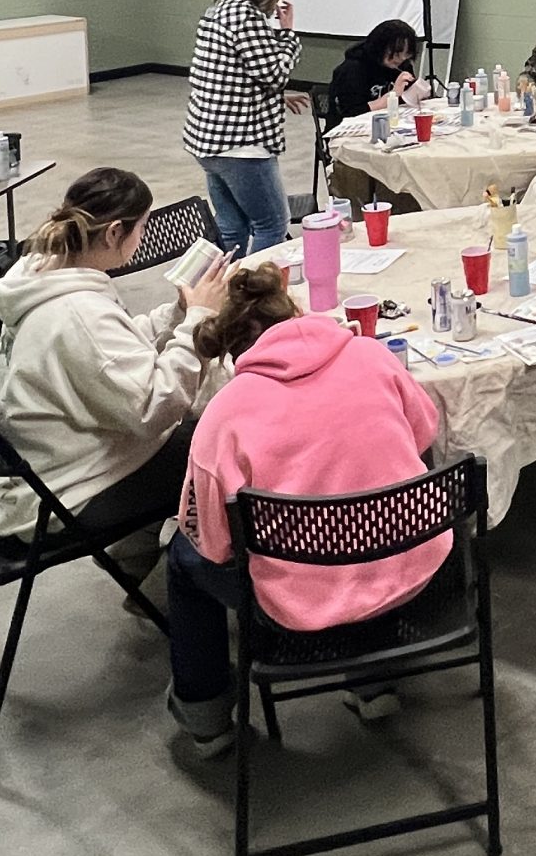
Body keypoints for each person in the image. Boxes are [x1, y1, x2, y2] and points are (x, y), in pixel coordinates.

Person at [165, 266, 448, 756]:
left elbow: (213, 541)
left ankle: (206, 717)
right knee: (363, 522)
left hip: (303, 599)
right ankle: (373, 682)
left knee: (182, 558)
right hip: (410, 566)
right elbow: (424, 433)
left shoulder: (225, 413)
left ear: (232, 347)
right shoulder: (370, 354)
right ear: (296, 312)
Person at [0, 168, 229, 567]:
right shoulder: (76, 313)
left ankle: (143, 556)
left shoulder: (46, 274)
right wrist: (198, 322)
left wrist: (179, 313)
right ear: (115, 232)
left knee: (206, 429)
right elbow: (155, 408)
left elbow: (117, 351)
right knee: (224, 444)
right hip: (69, 494)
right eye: (141, 228)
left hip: (48, 470)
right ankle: (193, 577)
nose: (142, 237)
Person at [182, 0, 305, 256]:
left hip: (207, 140)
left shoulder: (219, 9)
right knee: (272, 224)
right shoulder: (247, 18)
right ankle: (254, 284)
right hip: (241, 146)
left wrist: (277, 98)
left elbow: (229, 75)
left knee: (232, 226)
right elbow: (274, 75)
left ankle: (226, 282)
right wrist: (288, 35)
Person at [322, 17, 422, 134]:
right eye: (397, 53)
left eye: (407, 53)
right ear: (380, 47)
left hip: (389, 126)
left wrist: (417, 91)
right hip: (350, 131)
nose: (401, 58)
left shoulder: (401, 65)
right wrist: (393, 95)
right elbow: (352, 113)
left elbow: (408, 100)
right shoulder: (352, 69)